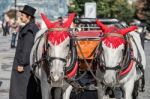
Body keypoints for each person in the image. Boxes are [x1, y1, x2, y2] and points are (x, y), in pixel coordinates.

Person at [9, 5, 39, 99]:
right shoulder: (30, 27)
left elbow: (27, 48)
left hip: (23, 66)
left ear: (28, 17)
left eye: (22, 15)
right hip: (24, 64)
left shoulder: (29, 29)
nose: (20, 16)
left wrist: (21, 63)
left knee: (20, 89)